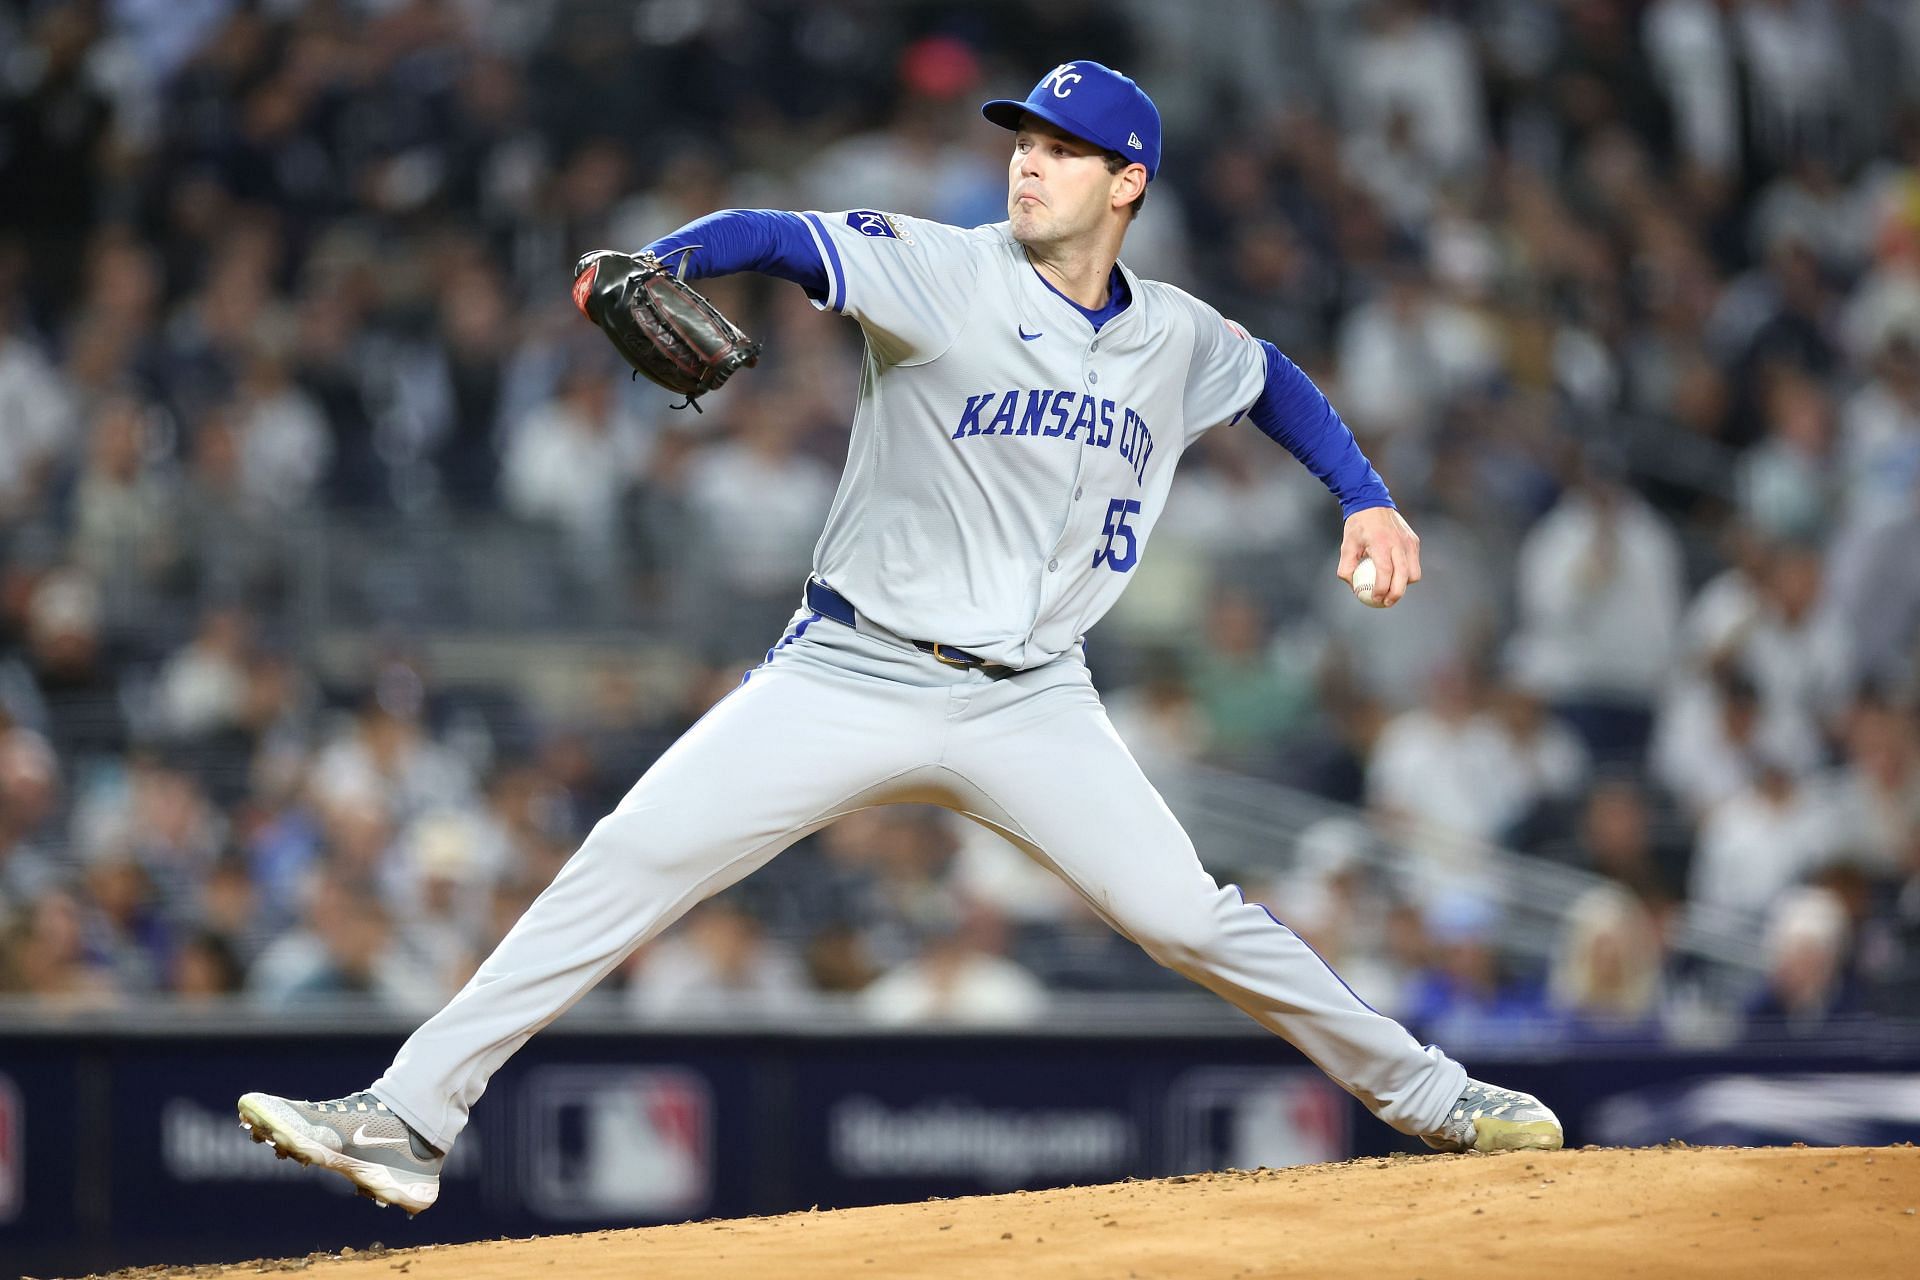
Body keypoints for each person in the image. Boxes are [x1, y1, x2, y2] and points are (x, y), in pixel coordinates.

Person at [236, 60, 1561, 1216]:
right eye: (1023, 141)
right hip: (852, 670)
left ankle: (1435, 1097)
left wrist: (1370, 497)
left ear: (1129, 185)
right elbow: (776, 232)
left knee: (1195, 919)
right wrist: (662, 263)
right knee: (629, 858)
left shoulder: (1174, 337)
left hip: (1034, 703)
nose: (1028, 165)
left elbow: (1274, 382)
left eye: (1062, 151)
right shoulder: (940, 267)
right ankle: (409, 1120)